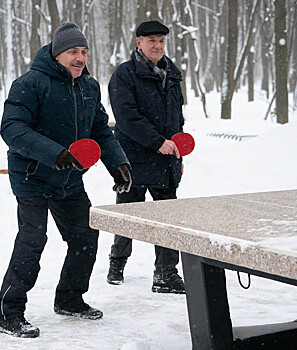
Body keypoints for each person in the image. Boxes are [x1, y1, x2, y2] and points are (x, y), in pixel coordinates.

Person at [0, 22, 132, 338]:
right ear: (57, 54)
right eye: (73, 51)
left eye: (83, 51)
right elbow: (12, 129)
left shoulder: (88, 86)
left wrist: (118, 163)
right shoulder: (30, 84)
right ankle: (9, 312)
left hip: (69, 178)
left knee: (85, 236)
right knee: (33, 241)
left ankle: (70, 299)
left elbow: (99, 129)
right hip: (32, 176)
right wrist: (53, 153)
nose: (80, 58)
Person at [106, 20, 186, 294]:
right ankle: (117, 263)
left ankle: (166, 274)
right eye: (151, 40)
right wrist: (157, 142)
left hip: (166, 160)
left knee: (168, 219)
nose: (157, 45)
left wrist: (178, 152)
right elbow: (126, 118)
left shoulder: (172, 73)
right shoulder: (125, 74)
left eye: (161, 40)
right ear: (138, 43)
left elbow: (178, 118)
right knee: (128, 216)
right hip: (132, 160)